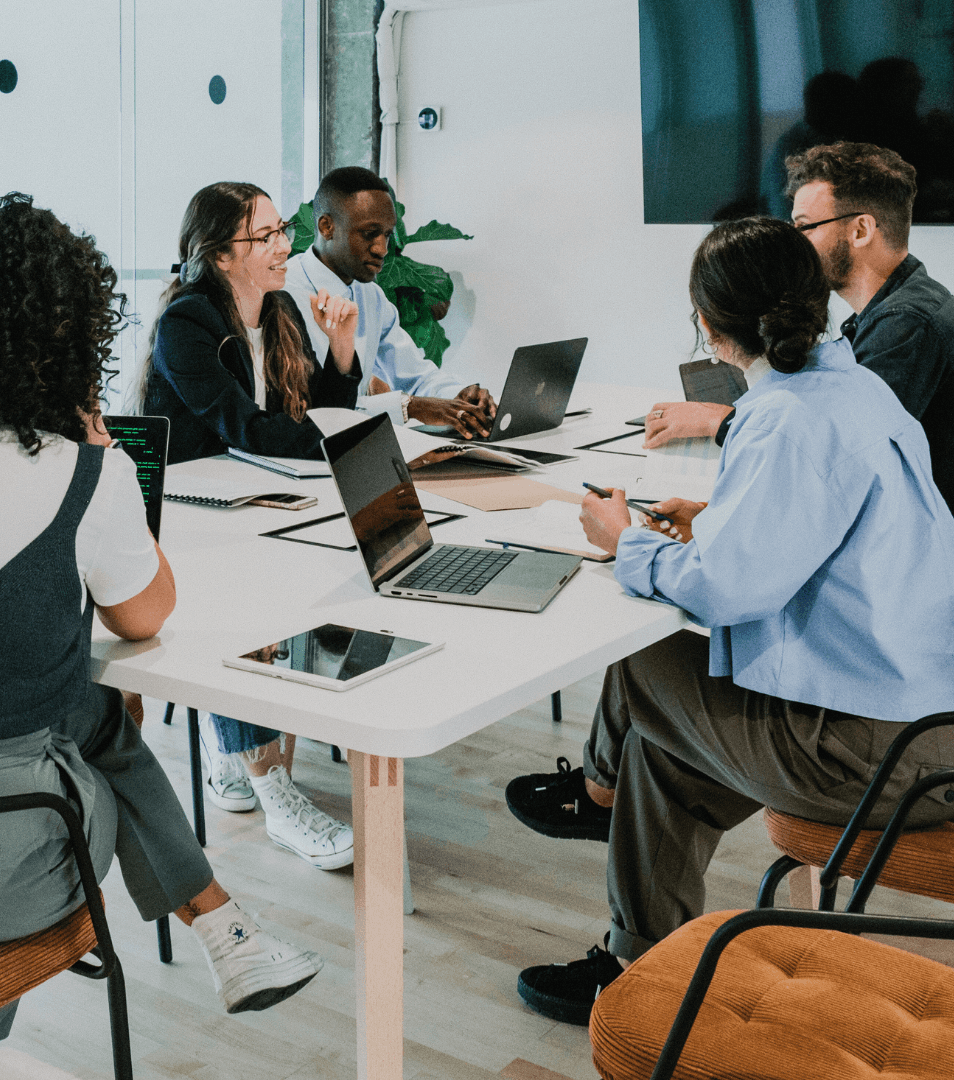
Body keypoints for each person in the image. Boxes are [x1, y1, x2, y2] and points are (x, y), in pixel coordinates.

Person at [0, 194, 325, 1080]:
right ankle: (222, 924)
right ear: (56, 331)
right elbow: (146, 614)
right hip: (14, 867)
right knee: (97, 709)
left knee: (63, 703)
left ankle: (225, 927)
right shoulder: (80, 470)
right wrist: (104, 463)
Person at [504, 217, 954, 1026]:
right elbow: (814, 530)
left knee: (646, 661)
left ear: (710, 329)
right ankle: (641, 970)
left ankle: (596, 796)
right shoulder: (852, 387)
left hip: (879, 756)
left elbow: (727, 592)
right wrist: (715, 516)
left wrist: (628, 540)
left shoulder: (786, 419)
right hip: (923, 725)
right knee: (666, 747)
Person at [140, 182, 359, 870]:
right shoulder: (187, 325)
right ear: (222, 255)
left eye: (279, 231)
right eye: (262, 238)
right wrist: (328, 444)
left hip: (259, 498)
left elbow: (318, 412)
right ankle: (275, 791)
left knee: (331, 568)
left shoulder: (283, 308)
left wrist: (342, 349)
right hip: (186, 516)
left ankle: (236, 741)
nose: (281, 247)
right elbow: (249, 430)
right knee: (243, 609)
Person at [644, 143, 954, 512]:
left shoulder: (907, 324)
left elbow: (833, 458)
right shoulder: (896, 306)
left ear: (861, 230)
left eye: (805, 227)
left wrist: (719, 421)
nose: (793, 241)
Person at [283, 166, 498, 438]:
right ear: (327, 227)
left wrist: (462, 398)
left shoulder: (370, 295)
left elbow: (416, 375)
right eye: (369, 233)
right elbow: (311, 412)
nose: (382, 249)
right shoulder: (284, 294)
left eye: (386, 234)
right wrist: (409, 407)